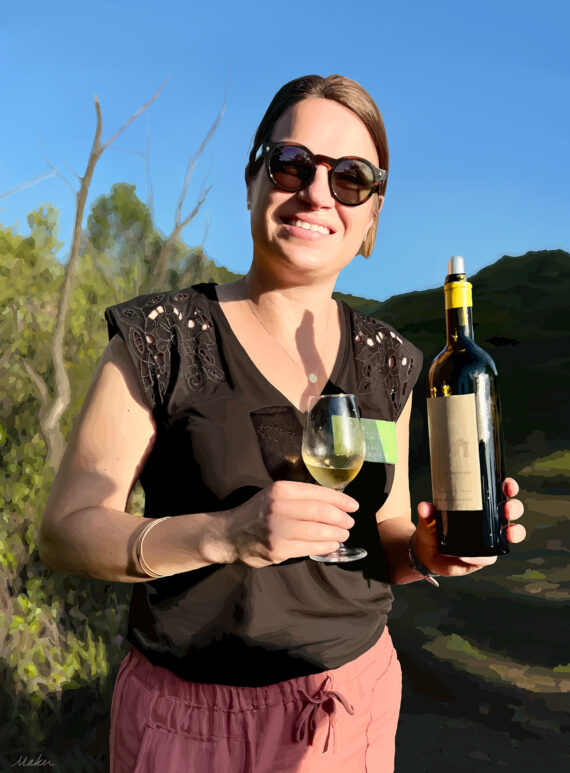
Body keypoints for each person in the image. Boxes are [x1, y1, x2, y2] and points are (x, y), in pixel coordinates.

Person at [39, 74, 526, 773]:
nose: (318, 193)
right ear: (252, 179)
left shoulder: (390, 363)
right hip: (185, 724)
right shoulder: (162, 338)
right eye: (292, 163)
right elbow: (66, 529)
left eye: (351, 179)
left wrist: (426, 551)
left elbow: (379, 538)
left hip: (346, 707)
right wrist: (225, 533)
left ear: (372, 218)